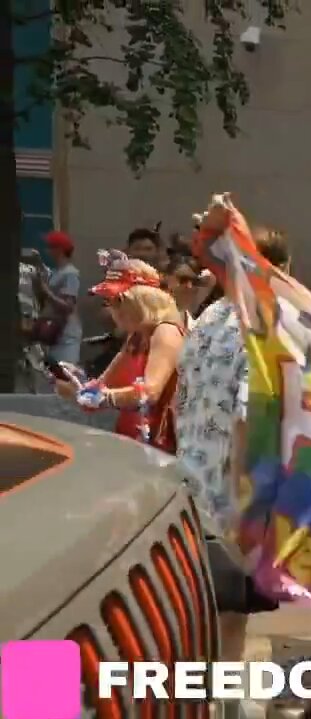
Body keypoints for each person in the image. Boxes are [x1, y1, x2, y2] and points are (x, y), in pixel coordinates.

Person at [179, 213, 288, 664]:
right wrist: (249, 510)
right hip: (229, 498)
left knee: (197, 612)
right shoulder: (260, 325)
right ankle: (222, 707)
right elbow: (250, 420)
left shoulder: (208, 317)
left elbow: (180, 402)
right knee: (229, 618)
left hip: (190, 486)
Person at [55, 255, 186, 452]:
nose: (111, 310)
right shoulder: (136, 337)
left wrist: (102, 397)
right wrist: (76, 385)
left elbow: (149, 393)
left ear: (140, 300)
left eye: (116, 301)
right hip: (132, 444)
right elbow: (102, 388)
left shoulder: (166, 331)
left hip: (159, 449)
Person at [34, 231, 82, 366]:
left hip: (66, 334)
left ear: (59, 250)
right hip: (52, 333)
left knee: (65, 372)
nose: (47, 250)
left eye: (50, 247)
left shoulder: (70, 274)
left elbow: (68, 306)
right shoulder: (56, 272)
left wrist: (46, 292)